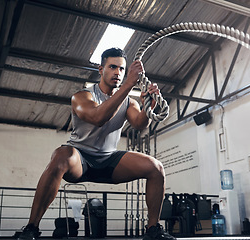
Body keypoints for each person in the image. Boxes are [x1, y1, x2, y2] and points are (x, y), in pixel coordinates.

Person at [17, 48, 175, 240]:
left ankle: (153, 230)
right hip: (80, 159)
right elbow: (98, 117)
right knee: (61, 156)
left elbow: (140, 124)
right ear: (101, 69)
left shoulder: (128, 102)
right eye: (112, 67)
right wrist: (128, 84)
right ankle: (31, 228)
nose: (118, 72)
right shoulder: (82, 96)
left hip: (109, 160)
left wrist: (148, 106)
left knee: (156, 168)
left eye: (122, 69)